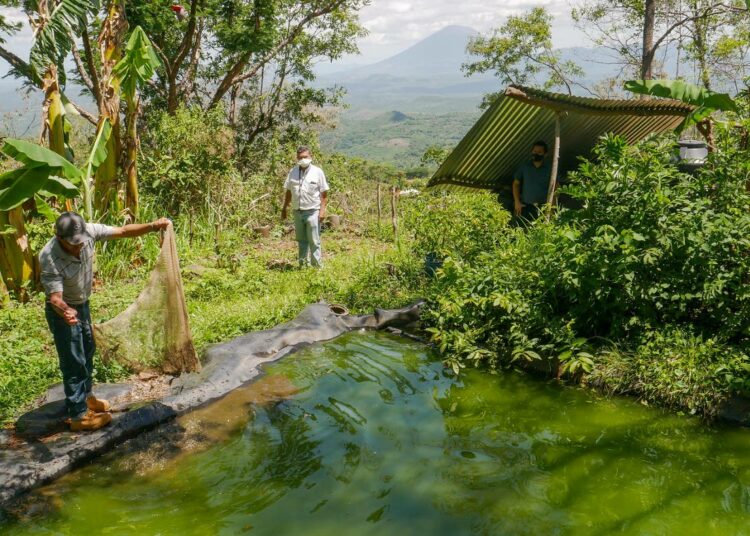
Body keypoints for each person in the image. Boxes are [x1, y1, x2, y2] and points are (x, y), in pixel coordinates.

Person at [40, 212, 171, 432]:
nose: (79, 246)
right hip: (62, 310)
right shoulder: (49, 256)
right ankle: (78, 414)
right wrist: (66, 312)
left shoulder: (88, 231)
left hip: (82, 304)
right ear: (60, 238)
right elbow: (55, 298)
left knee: (88, 350)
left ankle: (87, 397)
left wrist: (153, 226)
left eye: (81, 241)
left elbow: (122, 231)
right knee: (73, 360)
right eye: (73, 244)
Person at [281, 146, 330, 268]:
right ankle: (303, 265)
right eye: (300, 157)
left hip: (313, 211)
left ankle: (317, 267)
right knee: (301, 240)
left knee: (314, 240)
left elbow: (324, 193)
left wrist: (322, 211)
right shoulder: (293, 172)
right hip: (297, 211)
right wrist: (284, 208)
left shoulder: (318, 172)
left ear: (310, 156)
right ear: (297, 158)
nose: (303, 159)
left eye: (305, 157)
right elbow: (288, 191)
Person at [512, 140, 553, 224]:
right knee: (521, 230)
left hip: (543, 207)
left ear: (545, 154)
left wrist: (552, 207)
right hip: (526, 206)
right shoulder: (525, 167)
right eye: (534, 151)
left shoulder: (550, 168)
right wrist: (517, 202)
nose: (536, 154)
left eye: (539, 152)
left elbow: (555, 187)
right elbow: (516, 184)